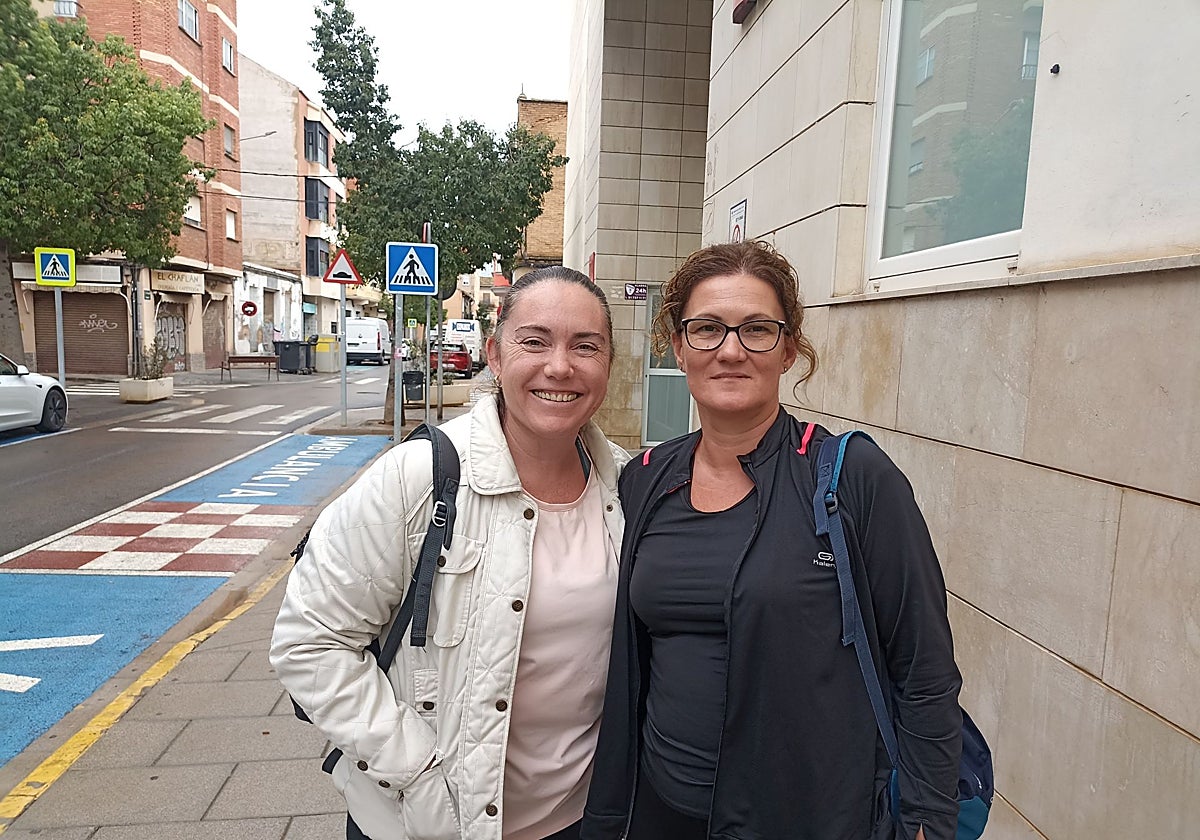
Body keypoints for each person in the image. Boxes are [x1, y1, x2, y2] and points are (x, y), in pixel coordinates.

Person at [582, 241, 963, 840]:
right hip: (659, 807)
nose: (731, 350)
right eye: (707, 328)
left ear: (788, 350)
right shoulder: (645, 478)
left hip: (805, 816)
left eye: (757, 329)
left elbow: (924, 669)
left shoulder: (852, 478)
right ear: (678, 346)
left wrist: (928, 820)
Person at [272, 266, 629, 840]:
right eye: (534, 341)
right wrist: (418, 777)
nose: (560, 366)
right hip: (431, 824)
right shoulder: (419, 478)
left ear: (608, 364)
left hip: (578, 819)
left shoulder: (625, 487)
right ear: (495, 354)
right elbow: (309, 642)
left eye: (585, 346)